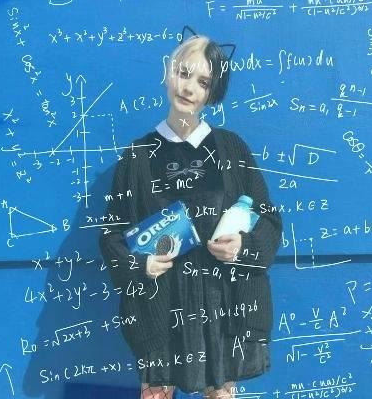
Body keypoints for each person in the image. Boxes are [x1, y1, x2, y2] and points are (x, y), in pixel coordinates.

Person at [99, 31, 282, 399]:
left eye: (203, 82)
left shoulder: (232, 149)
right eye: (184, 73)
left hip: (223, 309)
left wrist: (242, 246)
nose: (189, 88)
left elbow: (269, 220)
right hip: (160, 310)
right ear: (169, 72)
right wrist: (141, 264)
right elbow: (110, 233)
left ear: (212, 93)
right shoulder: (137, 156)